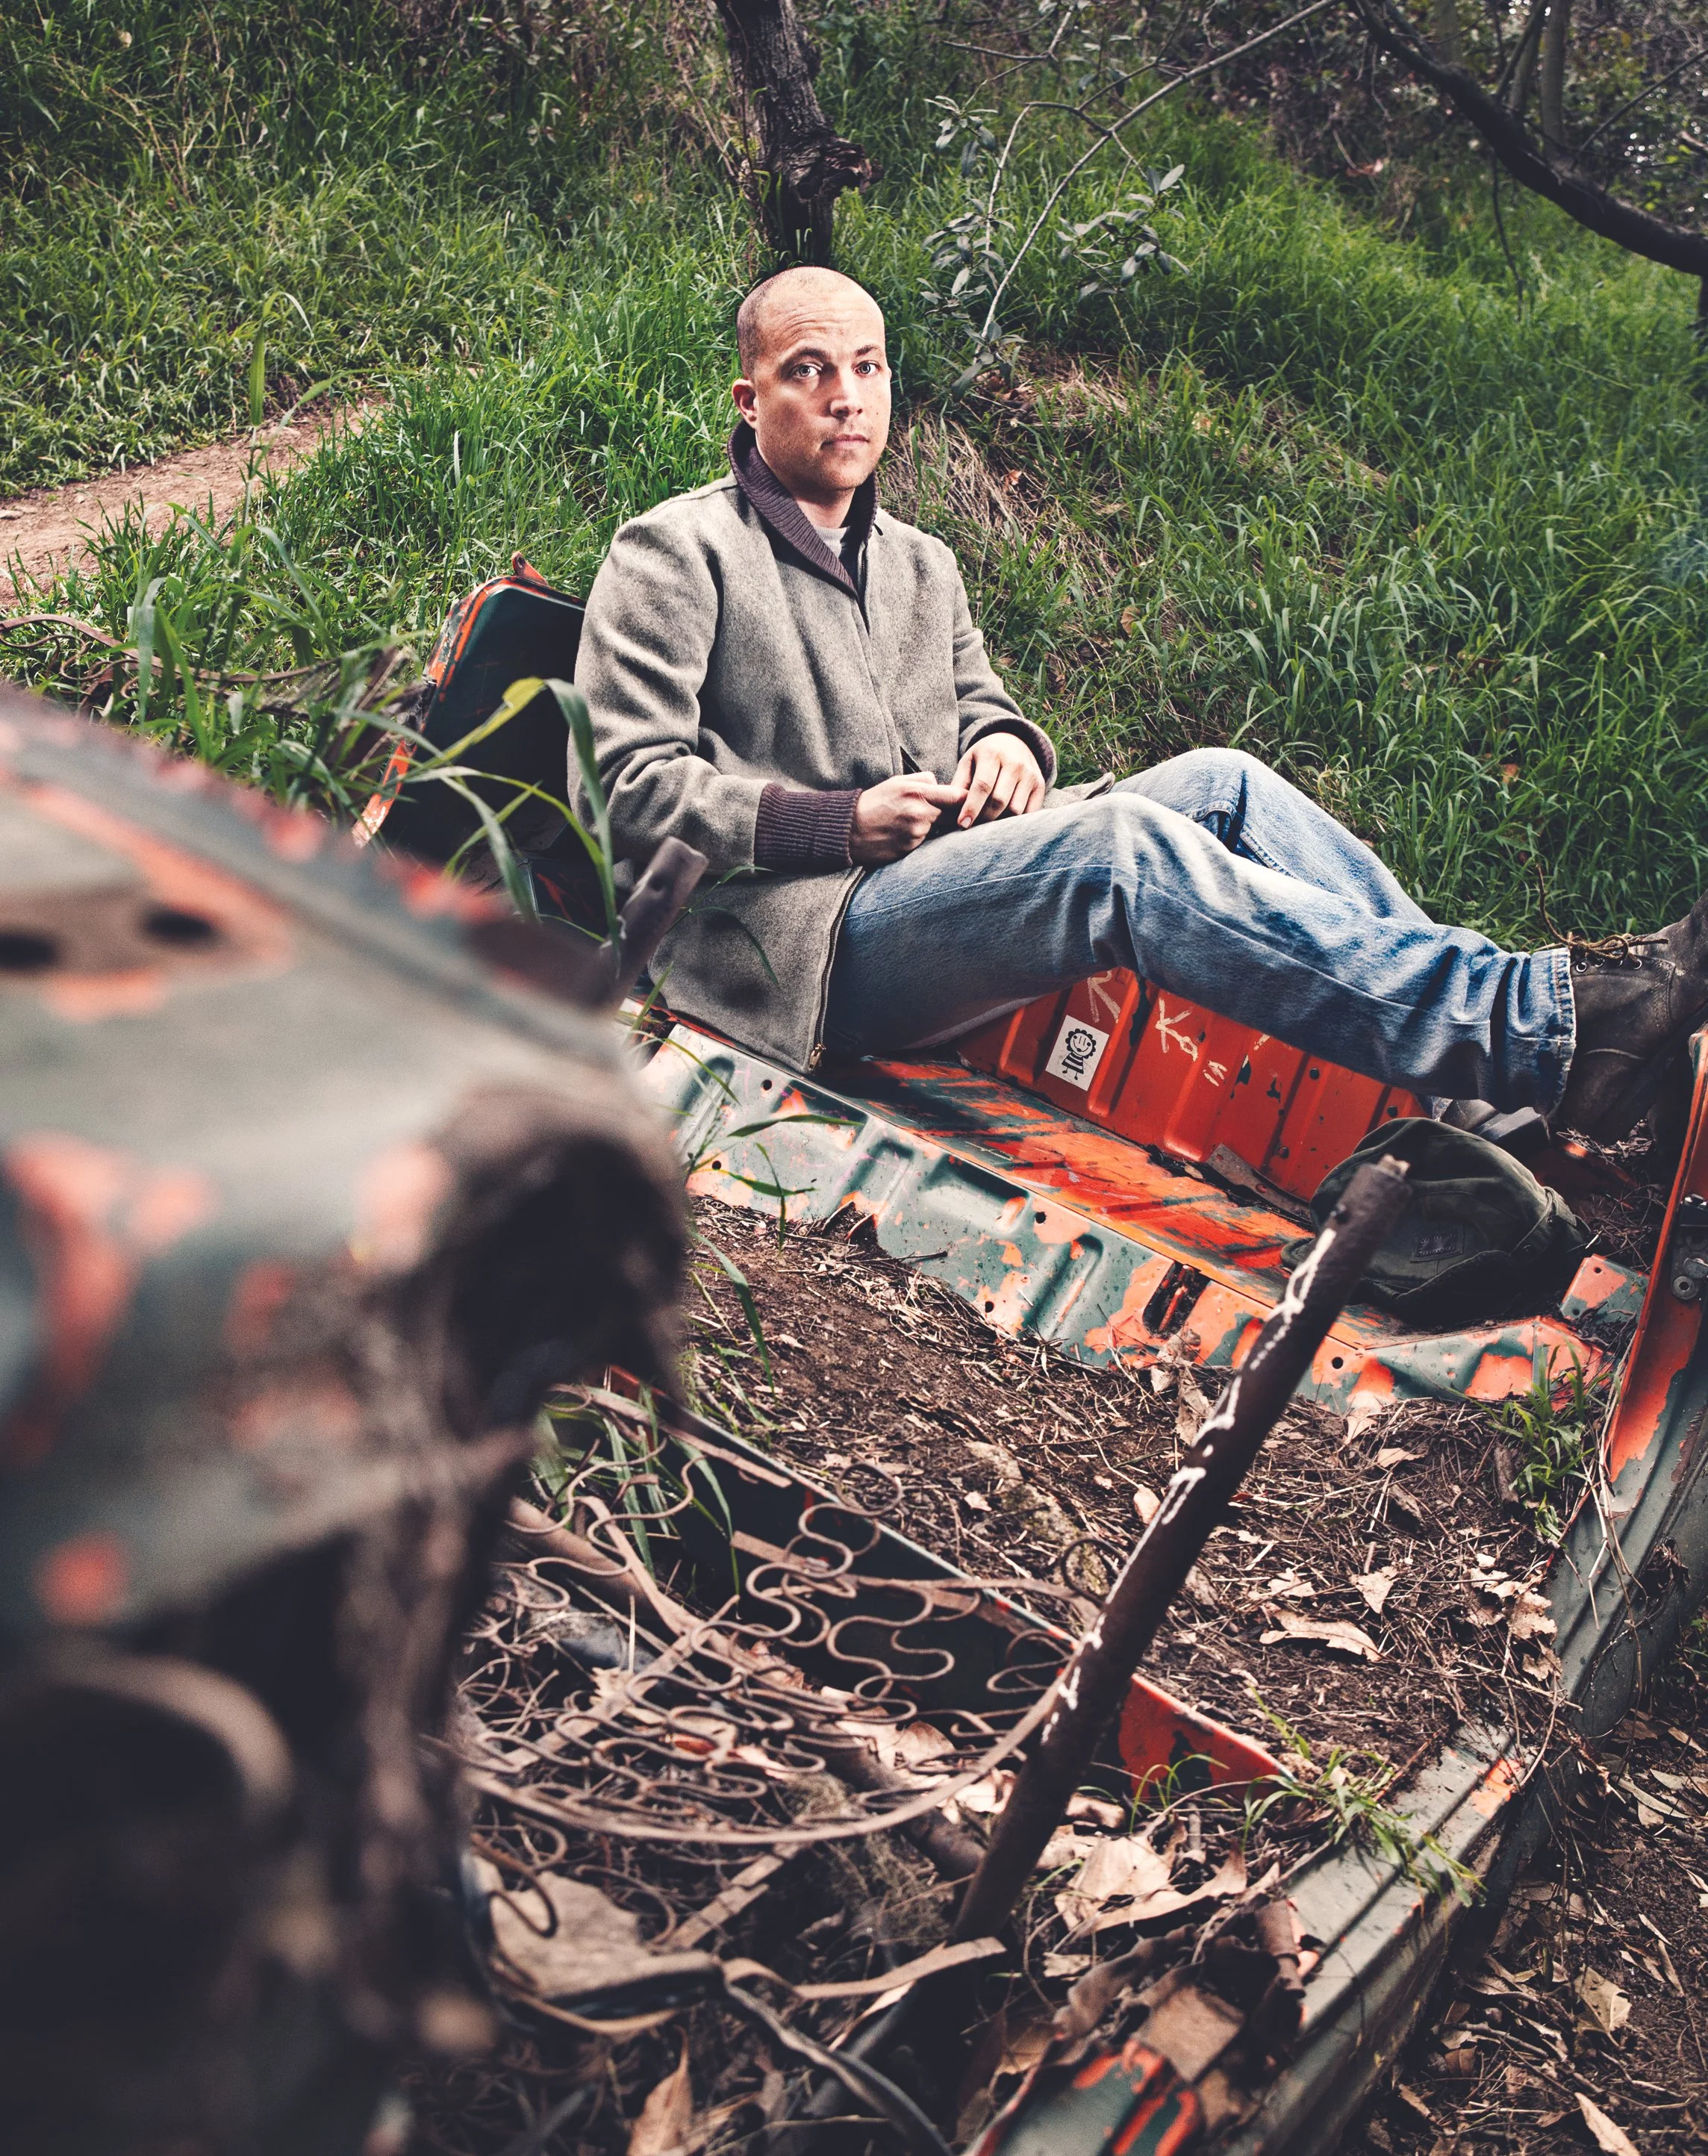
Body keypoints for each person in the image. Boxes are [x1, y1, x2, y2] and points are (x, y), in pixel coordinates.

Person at [573, 265, 1708, 1143]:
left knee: (1221, 780)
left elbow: (984, 706)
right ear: (750, 393)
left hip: (946, 886)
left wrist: (1008, 746)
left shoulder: (923, 562)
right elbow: (621, 787)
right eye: (810, 369)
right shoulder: (676, 552)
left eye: (867, 367)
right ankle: (1536, 1026)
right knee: (1120, 854)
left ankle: (1491, 1108)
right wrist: (838, 822)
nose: (846, 398)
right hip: (804, 943)